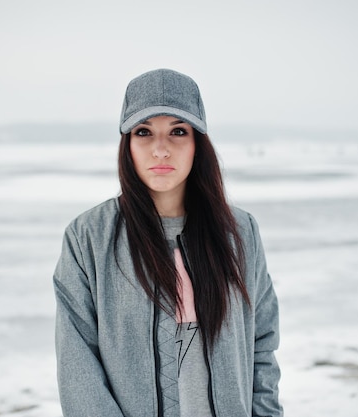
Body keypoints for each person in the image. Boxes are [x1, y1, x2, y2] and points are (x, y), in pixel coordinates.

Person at [53, 68, 282, 416]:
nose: (160, 149)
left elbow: (261, 345)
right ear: (127, 145)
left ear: (197, 144)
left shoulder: (240, 233)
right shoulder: (89, 238)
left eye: (178, 131)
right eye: (144, 132)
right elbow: (77, 364)